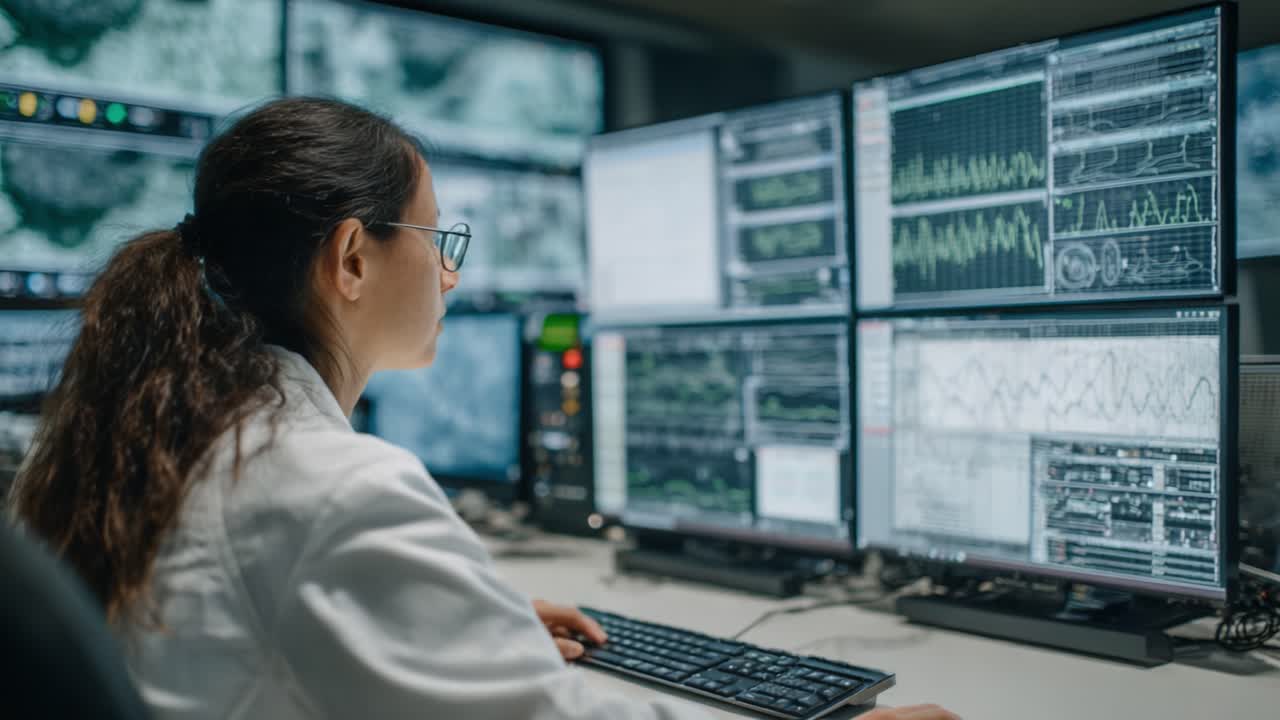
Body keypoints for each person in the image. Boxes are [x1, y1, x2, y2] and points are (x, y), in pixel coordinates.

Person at [9, 97, 958, 720]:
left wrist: (463, 618)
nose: (452, 272)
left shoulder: (145, 437)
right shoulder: (328, 487)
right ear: (351, 259)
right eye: (436, 237)